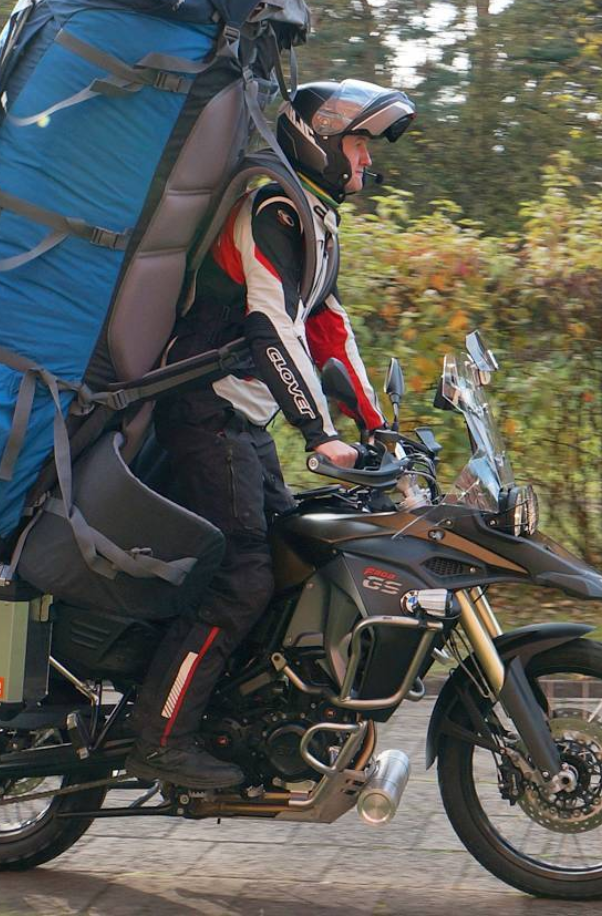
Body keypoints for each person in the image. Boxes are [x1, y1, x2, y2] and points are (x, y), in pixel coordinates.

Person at [125, 79, 416, 789]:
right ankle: (160, 736)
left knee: (293, 554)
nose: (364, 162)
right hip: (202, 409)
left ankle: (246, 714)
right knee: (242, 576)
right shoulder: (270, 207)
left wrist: (383, 430)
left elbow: (328, 330)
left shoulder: (311, 217)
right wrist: (318, 430)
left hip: (238, 417)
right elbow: (271, 326)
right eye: (356, 143)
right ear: (318, 137)